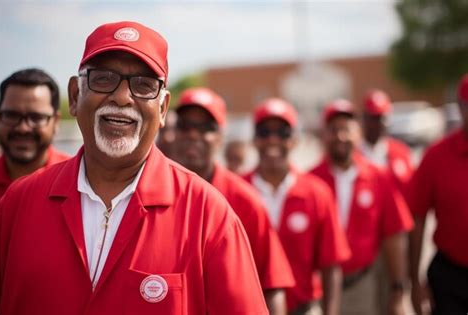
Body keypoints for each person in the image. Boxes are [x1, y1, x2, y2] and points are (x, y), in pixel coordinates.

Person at [0, 21, 268, 315]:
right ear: (75, 97)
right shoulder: (18, 203)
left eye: (143, 85)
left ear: (162, 109)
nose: (122, 98)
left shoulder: (208, 215)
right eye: (103, 79)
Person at [173, 87, 296, 315]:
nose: (193, 134)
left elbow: (273, 284)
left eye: (205, 128)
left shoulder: (245, 200)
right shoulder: (150, 191)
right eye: (185, 126)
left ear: (220, 137)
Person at [243, 98, 351, 315]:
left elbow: (331, 266)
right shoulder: (235, 191)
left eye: (282, 132)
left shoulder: (317, 193)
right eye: (264, 132)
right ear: (254, 139)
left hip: (304, 308)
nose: (273, 140)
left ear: (294, 140)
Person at [310, 99, 414, 315]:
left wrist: (398, 290)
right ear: (324, 135)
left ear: (358, 133)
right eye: (333, 129)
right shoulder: (311, 181)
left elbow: (394, 235)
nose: (340, 136)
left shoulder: (378, 177)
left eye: (346, 129)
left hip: (362, 286)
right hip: (318, 292)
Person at [408, 74, 468, 315]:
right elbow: (418, 219)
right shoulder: (436, 157)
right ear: (460, 108)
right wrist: (413, 282)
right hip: (450, 275)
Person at [0, 68, 70, 204]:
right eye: (12, 115)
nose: (23, 128)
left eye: (36, 117)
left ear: (56, 121)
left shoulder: (76, 181)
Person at [360, 89, 414, 199]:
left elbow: (411, 190)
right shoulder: (353, 154)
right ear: (364, 118)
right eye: (374, 118)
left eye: (382, 118)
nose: (379, 123)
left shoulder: (401, 152)